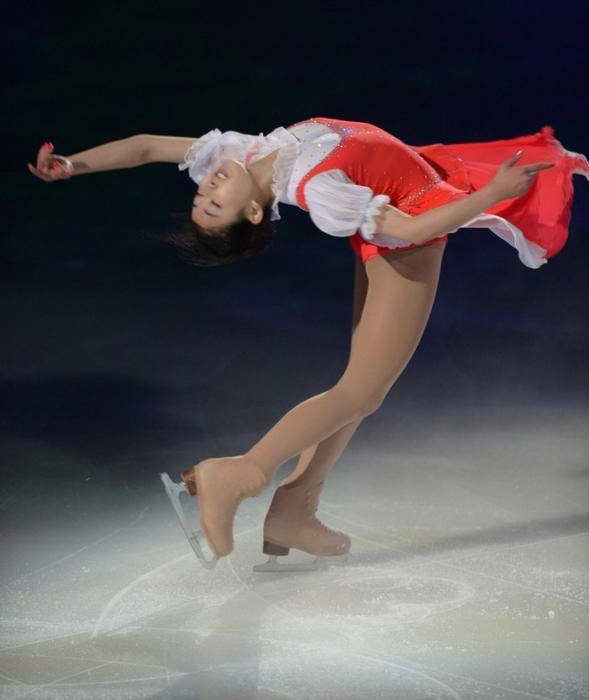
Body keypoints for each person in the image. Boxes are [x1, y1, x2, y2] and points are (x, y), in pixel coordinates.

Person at [28, 117, 589, 571]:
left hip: (403, 219)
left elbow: (146, 145)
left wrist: (72, 165)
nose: (205, 188)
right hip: (408, 241)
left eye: (202, 198)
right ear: (253, 211)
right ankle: (242, 473)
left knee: (360, 391)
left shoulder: (251, 152)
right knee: (361, 392)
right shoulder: (314, 189)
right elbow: (411, 231)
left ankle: (294, 512)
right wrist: (492, 195)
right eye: (213, 205)